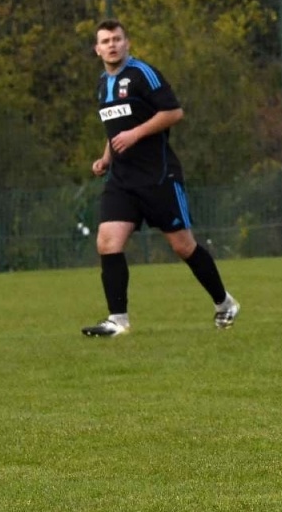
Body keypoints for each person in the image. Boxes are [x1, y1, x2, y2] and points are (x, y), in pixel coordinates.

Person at [81, 19, 239, 337]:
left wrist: (136, 134)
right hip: (122, 180)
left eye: (117, 39)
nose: (111, 45)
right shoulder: (102, 83)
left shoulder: (142, 74)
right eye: (105, 41)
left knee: (183, 247)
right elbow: (114, 130)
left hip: (158, 176)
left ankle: (224, 303)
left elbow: (173, 112)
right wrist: (106, 158)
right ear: (97, 49)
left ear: (127, 43)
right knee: (107, 242)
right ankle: (118, 321)